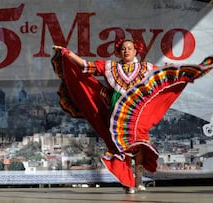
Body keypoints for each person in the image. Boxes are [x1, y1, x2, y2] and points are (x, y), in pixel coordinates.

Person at [51, 39, 212, 194]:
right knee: (121, 146)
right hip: (117, 112)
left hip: (139, 111)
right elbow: (86, 66)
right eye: (123, 49)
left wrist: (182, 71)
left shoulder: (146, 67)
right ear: (119, 52)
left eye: (129, 48)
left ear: (136, 51)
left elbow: (165, 74)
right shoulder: (110, 67)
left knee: (139, 145)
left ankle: (139, 180)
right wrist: (69, 54)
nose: (126, 50)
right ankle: (128, 182)